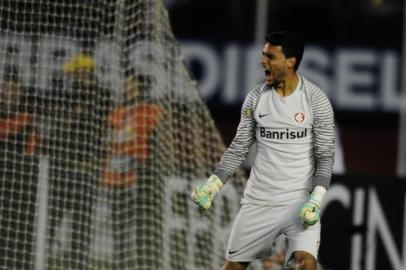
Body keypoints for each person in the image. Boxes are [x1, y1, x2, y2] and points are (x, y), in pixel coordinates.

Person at [191, 31, 335, 270]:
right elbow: (239, 147)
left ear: (290, 62)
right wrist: (213, 185)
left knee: (306, 264)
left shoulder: (315, 100)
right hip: (259, 201)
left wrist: (316, 200)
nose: (262, 61)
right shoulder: (255, 99)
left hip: (299, 201)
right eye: (263, 55)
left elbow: (325, 155)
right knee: (234, 267)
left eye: (270, 56)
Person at [44, 52, 112, 269]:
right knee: (52, 216)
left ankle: (78, 264)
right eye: (73, 74)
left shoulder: (102, 97)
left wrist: (76, 116)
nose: (75, 77)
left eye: (78, 72)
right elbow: (57, 131)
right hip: (62, 169)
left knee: (82, 224)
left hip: (86, 169)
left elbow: (98, 129)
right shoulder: (66, 96)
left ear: (87, 72)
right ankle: (40, 255)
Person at [100, 72, 164, 269]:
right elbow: (106, 139)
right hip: (115, 177)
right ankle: (120, 264)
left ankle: (143, 264)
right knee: (118, 226)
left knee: (141, 226)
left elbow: (157, 139)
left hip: (140, 177)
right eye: (127, 86)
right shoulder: (117, 112)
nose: (129, 90)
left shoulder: (151, 111)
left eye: (133, 86)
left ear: (142, 89)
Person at [0, 67, 39, 269]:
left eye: (15, 89)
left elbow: (32, 145)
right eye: (8, 88)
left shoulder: (27, 114)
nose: (11, 93)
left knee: (18, 227)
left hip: (19, 184)